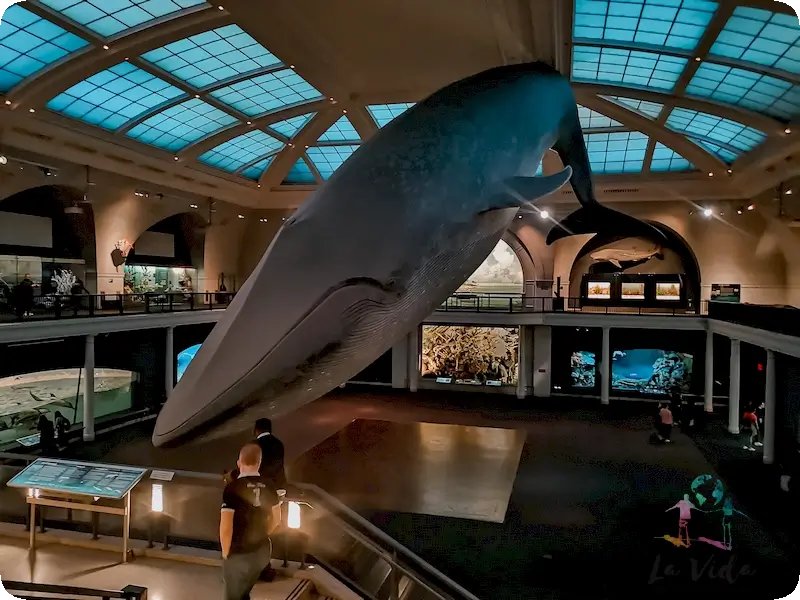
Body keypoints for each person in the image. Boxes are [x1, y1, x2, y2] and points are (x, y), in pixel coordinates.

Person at [220, 443, 281, 600]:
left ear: (239, 463)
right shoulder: (269, 485)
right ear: (259, 463)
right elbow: (277, 518)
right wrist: (264, 534)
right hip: (261, 552)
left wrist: (226, 553)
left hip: (239, 553)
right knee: (244, 592)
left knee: (233, 596)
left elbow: (226, 527)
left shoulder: (232, 488)